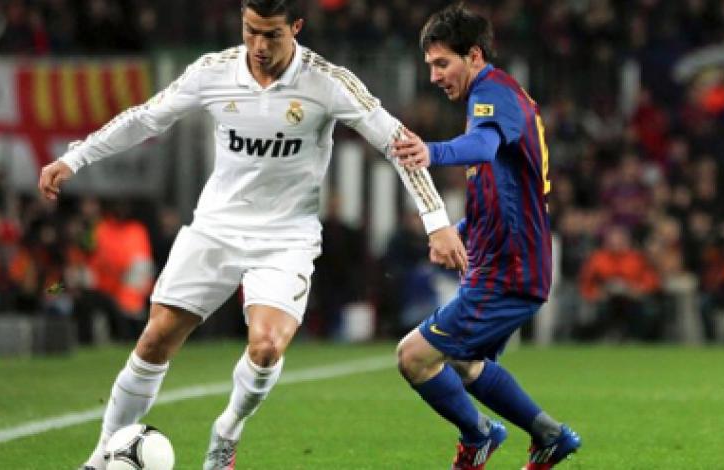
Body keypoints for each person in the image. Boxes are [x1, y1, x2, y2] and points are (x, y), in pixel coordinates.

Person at [37, 1, 467, 469]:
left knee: (265, 347)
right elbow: (145, 118)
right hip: (216, 228)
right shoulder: (214, 71)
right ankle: (100, 457)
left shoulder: (327, 82)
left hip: (286, 238)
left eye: (272, 35)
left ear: (296, 27)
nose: (259, 45)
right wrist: (74, 158)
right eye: (250, 31)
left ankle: (227, 430)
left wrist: (437, 221)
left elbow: (397, 141)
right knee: (155, 338)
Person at [392, 4, 581, 470]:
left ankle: (479, 435)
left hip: (509, 268)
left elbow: (483, 146)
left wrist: (430, 152)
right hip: (503, 261)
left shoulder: (492, 94)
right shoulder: (496, 96)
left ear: (474, 55)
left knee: (413, 357)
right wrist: (460, 232)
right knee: (462, 362)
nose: (434, 76)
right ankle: (548, 436)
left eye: (442, 63)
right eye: (430, 65)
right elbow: (502, 191)